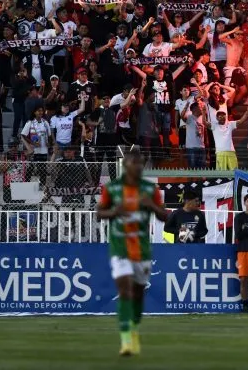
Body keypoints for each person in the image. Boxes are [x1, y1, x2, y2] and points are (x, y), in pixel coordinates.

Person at [96, 148, 167, 357]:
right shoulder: (112, 188)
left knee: (137, 293)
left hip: (142, 249)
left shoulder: (149, 189)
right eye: (135, 163)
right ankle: (126, 338)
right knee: (125, 289)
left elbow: (164, 217)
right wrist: (113, 212)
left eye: (141, 164)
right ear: (126, 164)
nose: (138, 167)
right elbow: (99, 212)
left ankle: (134, 328)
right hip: (119, 247)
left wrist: (152, 206)